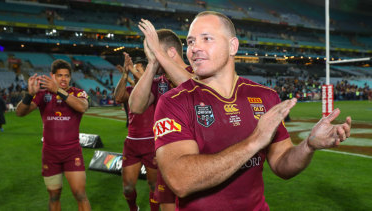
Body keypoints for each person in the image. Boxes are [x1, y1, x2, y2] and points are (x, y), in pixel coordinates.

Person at [153, 11, 352, 210]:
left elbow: (282, 164)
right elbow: (180, 180)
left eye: (207, 39)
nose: (195, 48)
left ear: (233, 46)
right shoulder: (174, 101)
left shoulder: (265, 96)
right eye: (191, 41)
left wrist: (308, 146)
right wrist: (254, 141)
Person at [130, 22, 193, 211]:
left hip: (196, 164)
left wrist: (157, 55)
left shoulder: (199, 74)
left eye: (154, 51)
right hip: (167, 165)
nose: (151, 55)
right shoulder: (160, 82)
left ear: (171, 52)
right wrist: (151, 65)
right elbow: (135, 106)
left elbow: (193, 89)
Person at [16, 59, 91, 211]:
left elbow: (82, 107)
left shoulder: (78, 93)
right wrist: (29, 95)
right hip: (50, 154)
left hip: (72, 153)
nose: (63, 78)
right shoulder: (43, 94)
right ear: (52, 76)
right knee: (54, 196)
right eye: (59, 75)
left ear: (70, 77)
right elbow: (20, 112)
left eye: (67, 76)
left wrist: (58, 90)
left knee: (80, 194)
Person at [113, 52, 159, 211]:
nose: (135, 71)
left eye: (138, 69)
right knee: (127, 188)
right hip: (131, 143)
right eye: (135, 69)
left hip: (151, 143)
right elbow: (118, 97)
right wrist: (125, 73)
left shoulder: (155, 87)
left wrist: (130, 68)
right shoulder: (130, 89)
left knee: (154, 185)